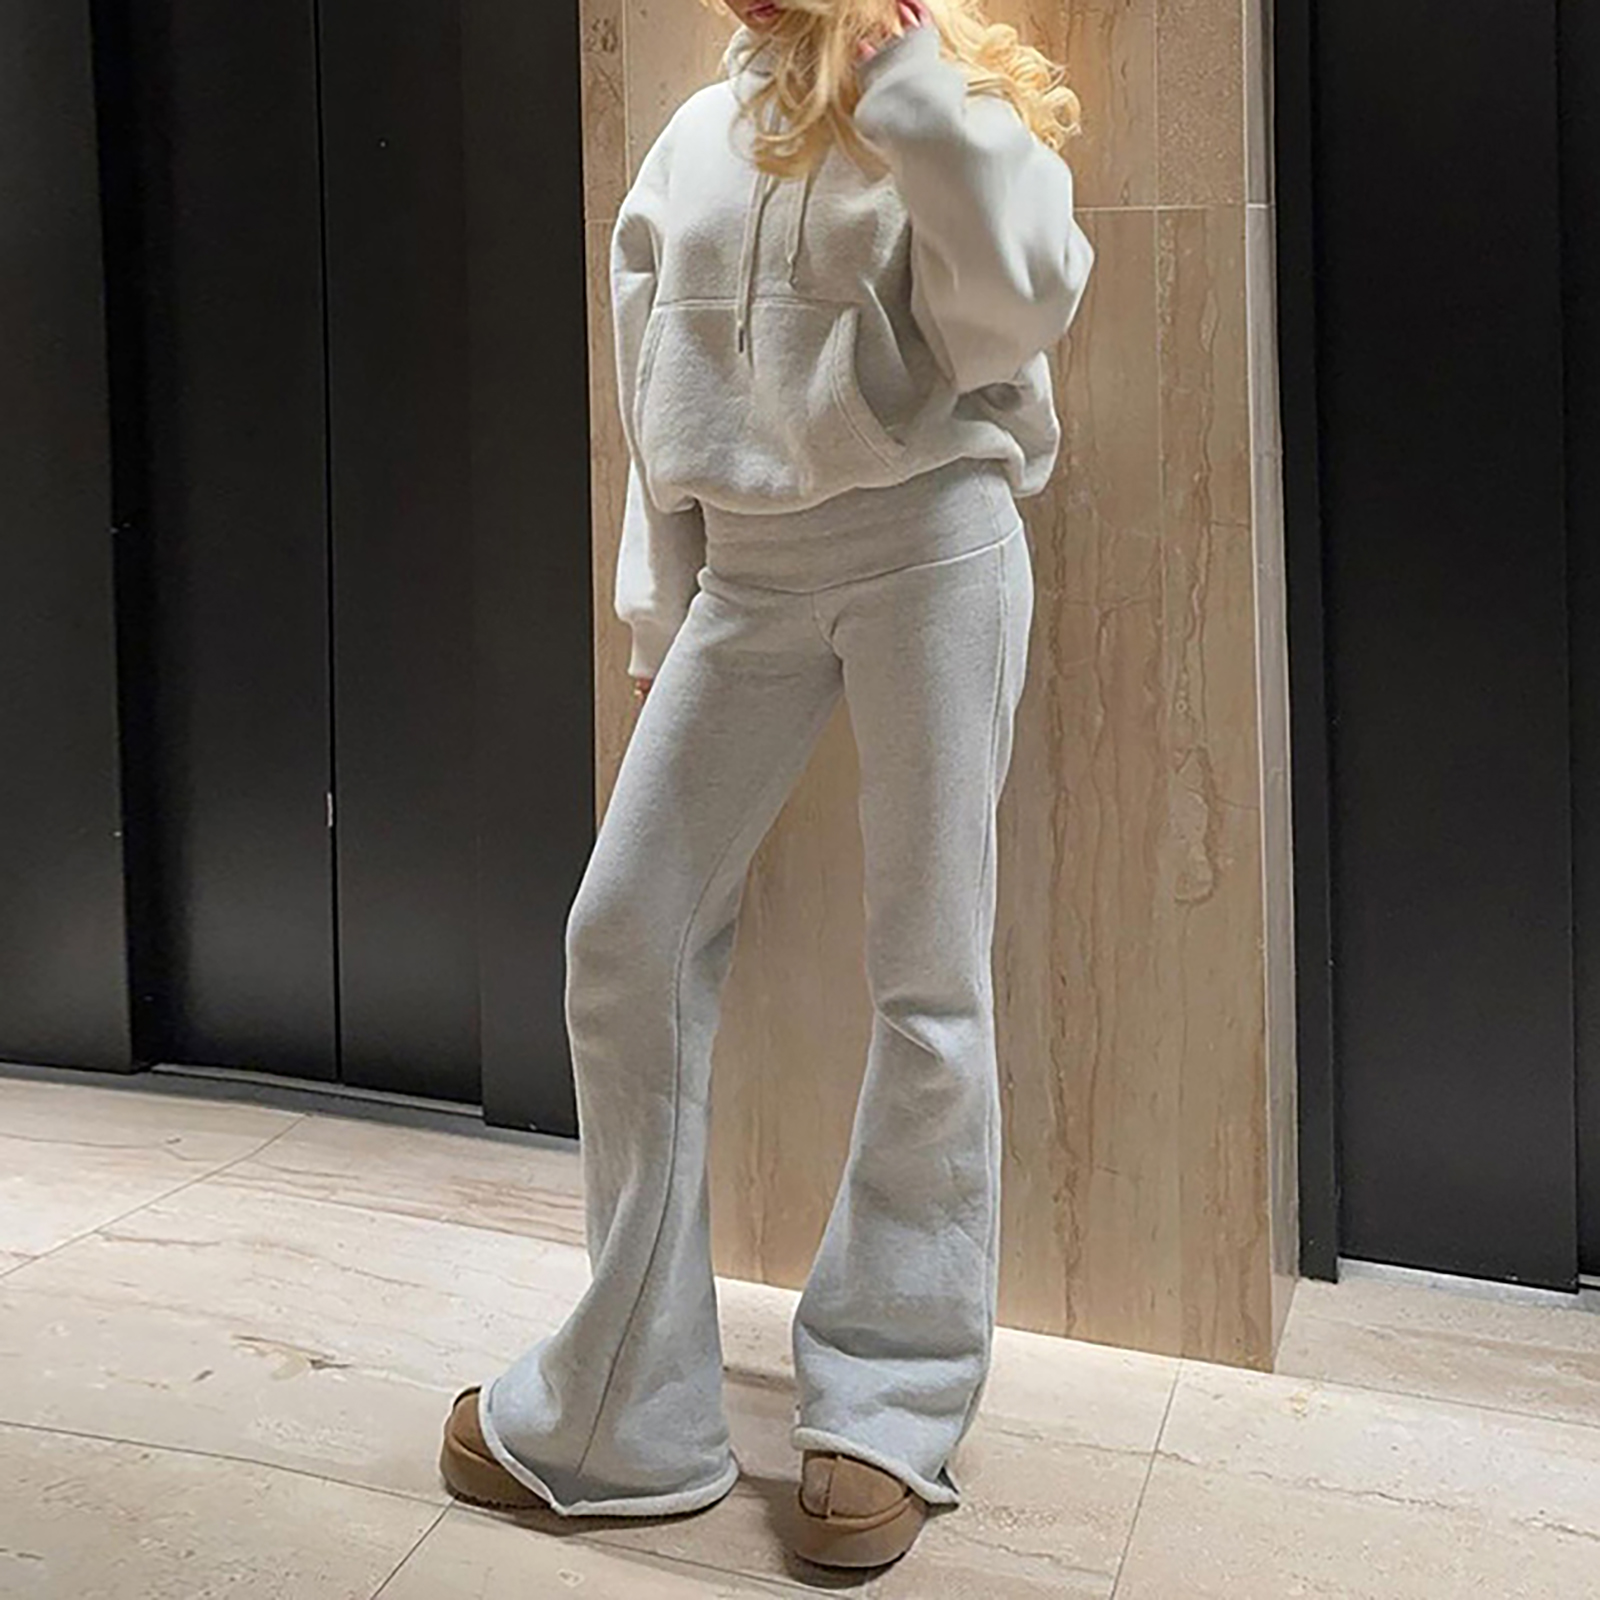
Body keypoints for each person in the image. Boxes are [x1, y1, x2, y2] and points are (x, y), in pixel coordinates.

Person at [438, 0, 1093, 1570]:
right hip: (746, 575)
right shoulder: (689, 139)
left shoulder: (956, 101)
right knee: (624, 937)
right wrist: (659, 612)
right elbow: (651, 395)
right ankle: (629, 1401)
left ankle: (887, 1403)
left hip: (934, 541)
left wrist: (906, 84)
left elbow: (1016, 310)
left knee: (928, 975)